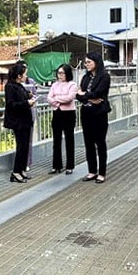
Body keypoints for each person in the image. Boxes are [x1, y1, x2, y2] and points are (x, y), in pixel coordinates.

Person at [76, 52, 111, 184]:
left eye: (89, 62)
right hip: (86, 112)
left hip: (99, 113)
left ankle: (102, 172)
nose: (86, 64)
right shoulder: (85, 77)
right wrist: (89, 96)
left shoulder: (104, 77)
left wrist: (85, 94)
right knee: (88, 143)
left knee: (100, 143)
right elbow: (78, 95)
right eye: (86, 62)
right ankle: (92, 171)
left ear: (96, 62)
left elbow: (99, 93)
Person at [3, 62, 35, 183]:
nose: (26, 76)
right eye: (24, 74)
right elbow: (11, 104)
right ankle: (15, 172)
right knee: (21, 146)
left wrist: (28, 96)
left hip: (25, 120)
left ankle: (21, 169)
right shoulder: (10, 86)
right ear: (19, 76)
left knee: (26, 145)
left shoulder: (19, 86)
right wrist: (27, 103)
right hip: (18, 121)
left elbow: (23, 95)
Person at [47, 63, 78, 174]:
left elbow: (70, 98)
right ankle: (56, 165)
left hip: (69, 114)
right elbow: (49, 98)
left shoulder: (72, 84)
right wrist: (59, 100)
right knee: (56, 140)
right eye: (58, 73)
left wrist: (56, 99)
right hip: (57, 113)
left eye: (62, 73)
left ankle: (70, 166)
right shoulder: (54, 85)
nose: (59, 75)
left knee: (69, 139)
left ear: (67, 73)